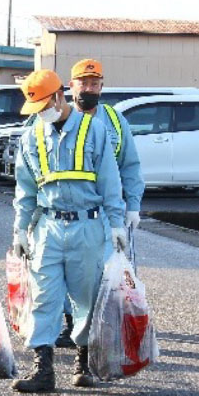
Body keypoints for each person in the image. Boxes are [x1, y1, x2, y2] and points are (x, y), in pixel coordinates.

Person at [10, 69, 126, 393]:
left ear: (59, 96)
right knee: (44, 297)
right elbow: (25, 189)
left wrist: (117, 225)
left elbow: (110, 183)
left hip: (87, 225)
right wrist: (20, 231)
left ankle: (84, 359)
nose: (39, 115)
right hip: (47, 226)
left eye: (43, 106)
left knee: (85, 296)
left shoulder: (94, 130)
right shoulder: (31, 136)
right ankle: (43, 367)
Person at [54, 59, 146, 356]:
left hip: (108, 212)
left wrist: (132, 205)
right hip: (70, 211)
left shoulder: (115, 121)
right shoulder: (58, 118)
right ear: (71, 86)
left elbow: (130, 165)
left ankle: (103, 326)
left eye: (94, 83)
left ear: (102, 86)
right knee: (68, 270)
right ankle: (73, 323)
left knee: (105, 272)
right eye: (83, 83)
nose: (89, 88)